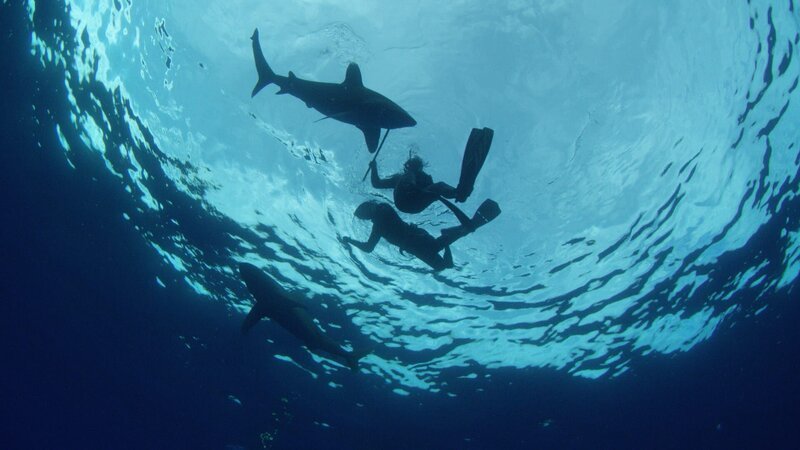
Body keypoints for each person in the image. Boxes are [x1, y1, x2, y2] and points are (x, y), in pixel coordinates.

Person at [342, 199, 500, 271]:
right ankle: (452, 235)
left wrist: (350, 240)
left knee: (441, 264)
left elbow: (369, 248)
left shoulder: (380, 219)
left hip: (415, 241)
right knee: (442, 262)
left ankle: (453, 235)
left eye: (364, 215)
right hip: (415, 240)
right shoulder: (383, 210)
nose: (366, 217)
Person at [369, 127, 494, 214]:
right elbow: (376, 184)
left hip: (414, 203)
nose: (411, 167)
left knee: (437, 186)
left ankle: (458, 193)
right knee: (411, 179)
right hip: (403, 201)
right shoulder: (401, 178)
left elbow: (436, 191)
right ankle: (458, 193)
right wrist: (373, 167)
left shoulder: (424, 178)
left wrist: (451, 193)